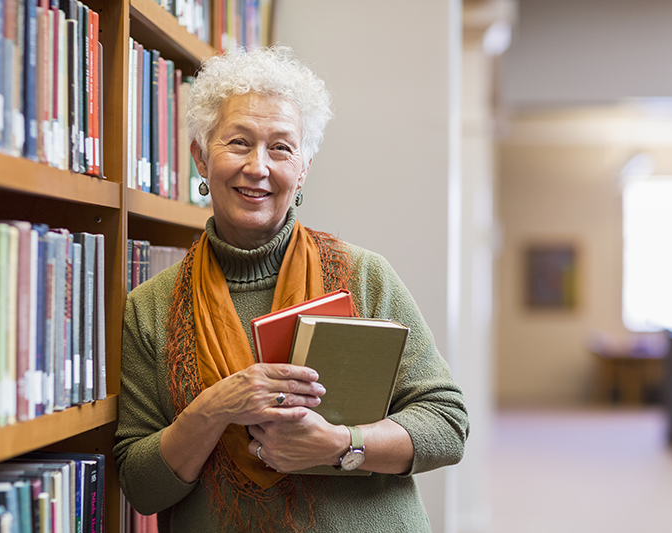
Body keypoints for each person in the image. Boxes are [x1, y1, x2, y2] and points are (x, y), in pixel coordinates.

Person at [113, 44, 469, 532]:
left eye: (280, 147)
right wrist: (214, 408)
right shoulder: (150, 307)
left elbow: (447, 425)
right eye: (238, 142)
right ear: (200, 157)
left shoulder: (365, 275)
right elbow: (141, 486)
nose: (258, 166)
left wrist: (342, 443)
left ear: (301, 169)